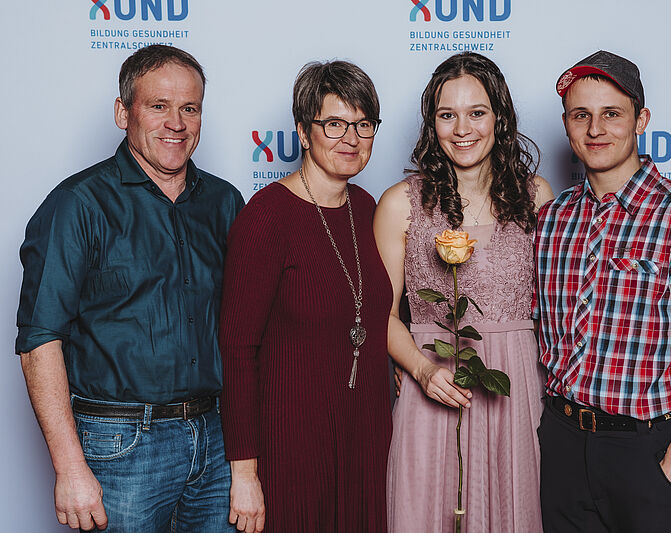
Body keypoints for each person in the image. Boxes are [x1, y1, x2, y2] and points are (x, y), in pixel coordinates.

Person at [15, 45, 244, 532]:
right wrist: (69, 467)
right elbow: (39, 341)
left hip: (216, 437)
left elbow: (247, 329)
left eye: (190, 108)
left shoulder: (225, 203)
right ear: (123, 113)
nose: (176, 123)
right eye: (159, 106)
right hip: (121, 445)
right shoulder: (77, 205)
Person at [534, 50, 671, 533]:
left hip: (646, 452)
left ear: (641, 120)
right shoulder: (551, 220)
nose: (595, 129)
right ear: (566, 126)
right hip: (561, 445)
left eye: (611, 113)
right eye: (580, 115)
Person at [375, 52, 554, 532]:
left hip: (514, 388)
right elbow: (382, 315)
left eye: (477, 112)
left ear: (500, 117)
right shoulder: (400, 204)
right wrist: (420, 369)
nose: (462, 129)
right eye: (446, 115)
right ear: (431, 124)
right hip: (433, 382)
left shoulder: (537, 197)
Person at [220, 60, 392, 533]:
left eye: (363, 124)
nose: (350, 138)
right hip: (293, 445)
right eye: (334, 123)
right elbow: (237, 351)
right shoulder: (266, 216)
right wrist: (244, 474)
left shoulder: (368, 208)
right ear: (302, 132)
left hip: (366, 438)